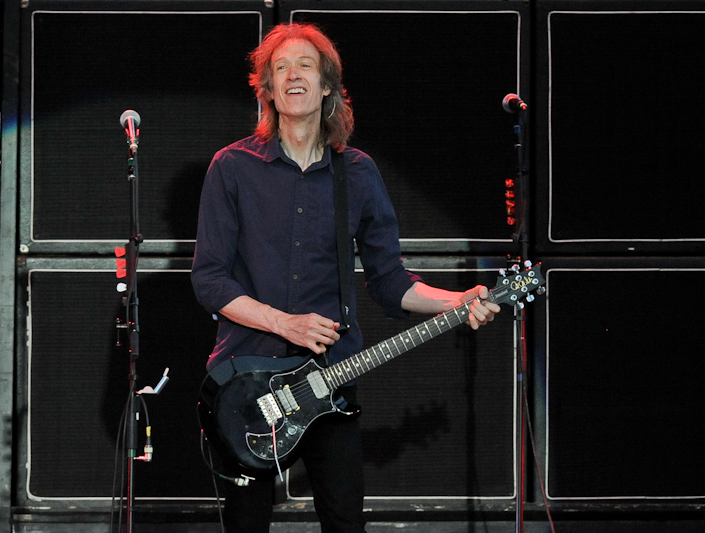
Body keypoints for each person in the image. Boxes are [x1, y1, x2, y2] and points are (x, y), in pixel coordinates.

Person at [191, 22, 501, 533]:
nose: (293, 75)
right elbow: (209, 280)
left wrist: (456, 300)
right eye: (280, 68)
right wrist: (285, 324)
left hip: (329, 382)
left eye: (305, 65)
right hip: (242, 386)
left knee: (344, 524)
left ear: (327, 85)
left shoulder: (356, 173)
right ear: (267, 88)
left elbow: (390, 281)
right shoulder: (232, 167)